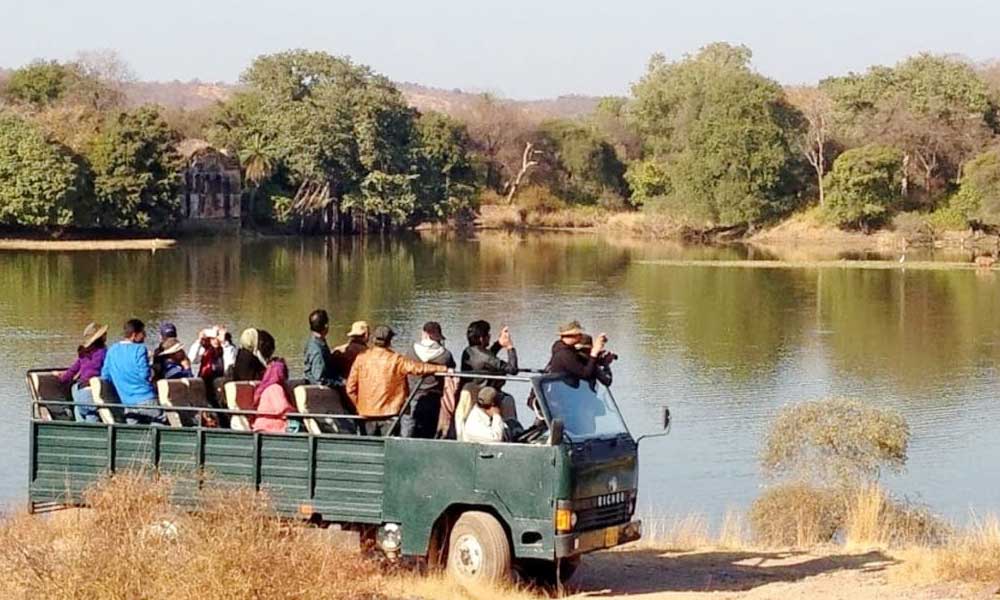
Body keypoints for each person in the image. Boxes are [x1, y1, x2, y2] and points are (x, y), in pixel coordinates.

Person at [346, 325, 448, 436]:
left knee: (369, 448)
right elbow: (418, 368)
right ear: (390, 341)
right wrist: (441, 368)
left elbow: (350, 388)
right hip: (389, 414)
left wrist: (360, 405)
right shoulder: (396, 359)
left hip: (365, 414)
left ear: (373, 339)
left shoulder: (362, 358)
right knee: (388, 448)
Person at [100, 319, 163, 424]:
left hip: (127, 403)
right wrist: (154, 370)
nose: (145, 336)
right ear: (134, 335)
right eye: (143, 332)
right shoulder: (140, 349)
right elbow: (145, 375)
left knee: (134, 433)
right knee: (162, 423)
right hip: (146, 399)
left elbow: (105, 376)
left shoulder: (112, 350)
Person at [403, 321, 456, 438]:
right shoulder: (445, 355)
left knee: (408, 429)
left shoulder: (411, 351)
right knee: (429, 431)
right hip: (433, 398)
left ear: (424, 334)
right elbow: (452, 367)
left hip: (412, 395)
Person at [460, 320, 519, 423]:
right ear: (482, 338)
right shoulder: (486, 357)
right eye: (488, 334)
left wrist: (499, 344)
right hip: (485, 395)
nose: (490, 336)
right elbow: (513, 369)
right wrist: (509, 347)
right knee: (509, 399)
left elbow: (488, 358)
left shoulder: (468, 351)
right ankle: (512, 430)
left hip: (473, 391)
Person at [59, 322, 108, 422]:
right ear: (100, 337)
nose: (106, 335)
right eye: (104, 334)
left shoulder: (84, 353)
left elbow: (72, 370)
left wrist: (61, 378)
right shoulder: (104, 352)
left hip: (80, 394)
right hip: (92, 393)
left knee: (82, 413)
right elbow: (109, 371)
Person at [252, 358, 297, 433]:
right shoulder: (275, 388)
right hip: (271, 425)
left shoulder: (265, 387)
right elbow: (282, 408)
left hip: (268, 423)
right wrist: (296, 411)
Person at [304, 309, 337, 387]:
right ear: (326, 326)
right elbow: (320, 380)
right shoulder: (317, 351)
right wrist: (341, 383)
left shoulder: (312, 341)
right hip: (320, 390)